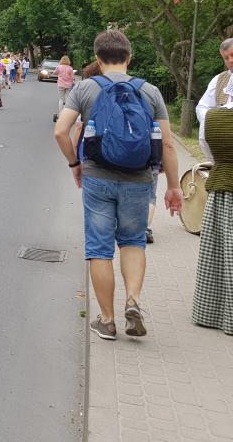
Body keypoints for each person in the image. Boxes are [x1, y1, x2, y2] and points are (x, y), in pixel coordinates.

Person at [53, 30, 181, 341]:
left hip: (98, 177)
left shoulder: (85, 88)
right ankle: (133, 301)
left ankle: (107, 321)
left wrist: (75, 164)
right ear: (129, 57)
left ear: (98, 59)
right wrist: (173, 187)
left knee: (99, 247)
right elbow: (167, 144)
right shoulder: (150, 91)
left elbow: (60, 132)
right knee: (133, 242)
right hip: (140, 179)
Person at [192, 37, 233, 336]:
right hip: (223, 173)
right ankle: (215, 311)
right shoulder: (219, 82)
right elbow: (204, 115)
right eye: (228, 58)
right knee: (220, 249)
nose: (231, 61)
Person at [55, 56, 75, 120]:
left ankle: (60, 114)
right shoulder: (70, 68)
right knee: (67, 99)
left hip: (60, 84)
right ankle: (66, 114)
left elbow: (55, 72)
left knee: (61, 99)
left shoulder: (59, 67)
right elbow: (72, 78)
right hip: (68, 85)